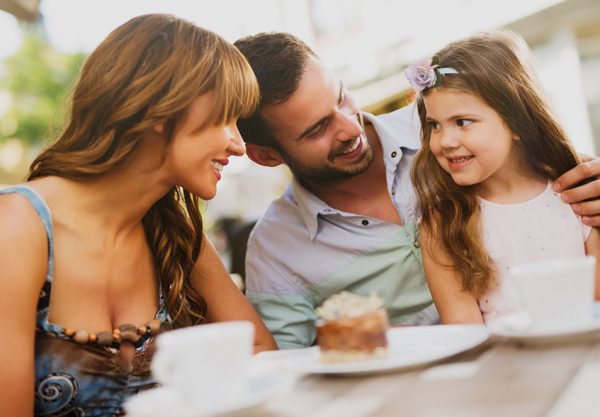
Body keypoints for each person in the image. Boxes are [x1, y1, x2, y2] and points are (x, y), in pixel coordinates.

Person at [234, 31, 600, 349]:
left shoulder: (439, 115)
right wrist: (354, 339)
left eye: (341, 97)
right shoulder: (275, 249)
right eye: (317, 130)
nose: (349, 127)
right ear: (266, 156)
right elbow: (285, 363)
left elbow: (538, 162)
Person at [0, 14, 276, 416]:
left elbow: (259, 353)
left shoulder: (177, 234)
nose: (238, 144)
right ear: (160, 111)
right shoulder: (17, 227)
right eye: (225, 117)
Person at [408, 31, 600, 324]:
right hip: (507, 366)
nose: (444, 141)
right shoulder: (443, 222)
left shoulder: (576, 193)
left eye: (462, 122)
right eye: (434, 125)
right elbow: (466, 335)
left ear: (516, 123)